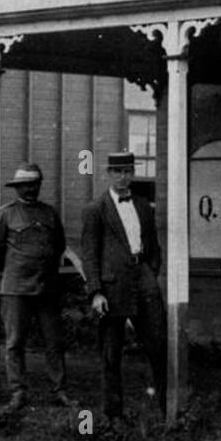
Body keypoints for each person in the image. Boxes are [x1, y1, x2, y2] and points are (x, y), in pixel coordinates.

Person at [80, 150, 166, 422]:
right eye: (117, 172)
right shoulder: (96, 209)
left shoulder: (142, 206)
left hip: (144, 282)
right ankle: (112, 415)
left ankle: (166, 409)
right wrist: (95, 292)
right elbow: (90, 254)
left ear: (133, 173)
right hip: (112, 288)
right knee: (111, 353)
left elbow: (153, 246)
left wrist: (150, 274)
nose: (123, 177)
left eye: (127, 171)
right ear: (109, 173)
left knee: (158, 345)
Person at [0, 162, 71, 410]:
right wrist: (13, 266)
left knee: (54, 342)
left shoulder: (50, 214)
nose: (30, 189)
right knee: (14, 342)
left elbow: (58, 246)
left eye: (34, 184)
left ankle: (59, 390)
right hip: (16, 289)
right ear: (16, 188)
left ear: (39, 185)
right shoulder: (5, 214)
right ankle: (18, 392)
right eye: (24, 185)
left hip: (47, 288)